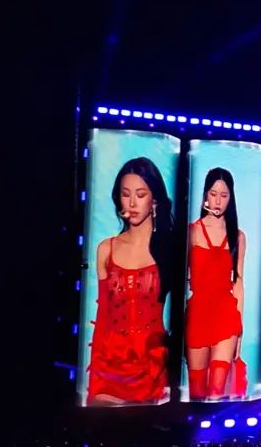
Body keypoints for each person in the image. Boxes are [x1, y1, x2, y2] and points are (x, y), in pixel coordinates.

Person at [86, 158, 173, 405]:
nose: (132, 203)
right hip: (109, 367)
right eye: (126, 195)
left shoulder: (169, 250)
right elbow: (103, 316)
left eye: (140, 194)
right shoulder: (106, 249)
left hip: (151, 367)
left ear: (154, 200)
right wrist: (95, 378)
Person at [186, 167, 245, 399]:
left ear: (231, 198)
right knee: (197, 391)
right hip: (198, 316)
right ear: (205, 196)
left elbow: (238, 282)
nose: (218, 201)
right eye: (213, 194)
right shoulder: (192, 232)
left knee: (217, 392)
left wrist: (239, 331)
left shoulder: (238, 237)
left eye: (224, 195)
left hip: (226, 316)